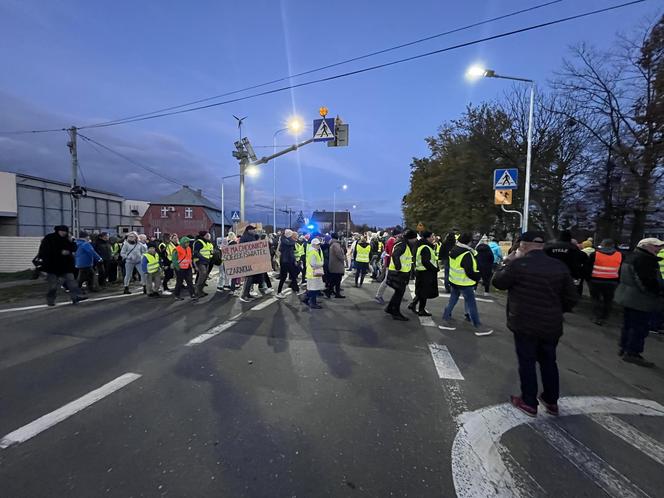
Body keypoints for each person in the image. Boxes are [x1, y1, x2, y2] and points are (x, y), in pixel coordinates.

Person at [492, 231, 579, 417]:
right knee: (549, 361)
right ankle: (551, 400)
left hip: (524, 322)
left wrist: (508, 261)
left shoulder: (519, 265)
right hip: (551, 323)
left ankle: (529, 401)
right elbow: (571, 297)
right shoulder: (559, 266)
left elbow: (498, 282)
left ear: (523, 246)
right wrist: (556, 310)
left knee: (527, 362)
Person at [614, 238, 664, 367]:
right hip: (640, 299)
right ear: (646, 246)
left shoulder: (631, 256)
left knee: (628, 323)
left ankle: (624, 348)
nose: (659, 249)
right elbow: (646, 281)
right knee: (639, 327)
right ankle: (633, 353)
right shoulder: (645, 260)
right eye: (656, 246)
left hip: (628, 296)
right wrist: (657, 291)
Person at [439, 233, 493, 336]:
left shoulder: (454, 250)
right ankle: (478, 326)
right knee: (471, 304)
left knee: (452, 301)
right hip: (465, 283)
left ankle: (445, 320)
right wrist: (478, 277)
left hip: (454, 281)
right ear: (468, 242)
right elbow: (470, 271)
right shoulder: (466, 254)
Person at [38, 225, 87, 306]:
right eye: (63, 231)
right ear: (59, 231)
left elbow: (74, 248)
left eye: (66, 231)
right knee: (53, 286)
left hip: (66, 266)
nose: (65, 233)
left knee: (72, 283)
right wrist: (60, 253)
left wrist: (71, 241)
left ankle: (75, 297)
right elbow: (44, 252)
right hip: (52, 266)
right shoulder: (49, 238)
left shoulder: (67, 239)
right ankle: (50, 300)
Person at [584, 239, 622, 326]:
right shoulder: (620, 255)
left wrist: (588, 279)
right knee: (608, 300)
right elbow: (621, 269)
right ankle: (605, 317)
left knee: (595, 299)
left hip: (595, 280)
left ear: (602, 245)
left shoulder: (595, 254)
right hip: (612, 281)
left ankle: (596, 317)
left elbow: (588, 267)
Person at [385, 229, 417, 321]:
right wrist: (398, 267)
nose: (415, 240)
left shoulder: (405, 243)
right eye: (414, 238)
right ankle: (395, 312)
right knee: (399, 294)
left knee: (398, 293)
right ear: (410, 238)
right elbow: (395, 255)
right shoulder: (402, 244)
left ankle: (390, 309)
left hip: (399, 274)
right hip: (398, 273)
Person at [408, 231, 438, 316]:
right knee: (424, 292)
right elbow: (426, 261)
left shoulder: (422, 245)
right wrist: (435, 269)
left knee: (421, 291)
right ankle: (421, 310)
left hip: (421, 271)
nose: (434, 238)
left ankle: (413, 304)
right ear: (428, 238)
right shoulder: (425, 247)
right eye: (432, 236)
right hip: (425, 272)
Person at [375, 229, 400, 305]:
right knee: (386, 280)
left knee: (389, 280)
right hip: (389, 263)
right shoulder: (392, 240)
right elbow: (392, 252)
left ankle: (395, 295)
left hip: (389, 262)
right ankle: (378, 295)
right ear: (397, 235)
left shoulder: (391, 240)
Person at [276, 229, 299, 298]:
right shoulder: (284, 240)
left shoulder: (287, 240)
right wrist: (294, 240)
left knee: (293, 274)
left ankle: (296, 288)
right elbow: (291, 243)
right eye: (291, 235)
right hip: (285, 261)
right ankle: (279, 292)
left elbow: (293, 249)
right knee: (283, 276)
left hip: (289, 260)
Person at [302, 238, 325, 308]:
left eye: (319, 244)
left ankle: (307, 299)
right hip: (313, 273)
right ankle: (313, 303)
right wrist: (321, 264)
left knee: (313, 288)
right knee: (314, 289)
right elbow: (313, 263)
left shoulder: (314, 251)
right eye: (317, 244)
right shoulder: (313, 252)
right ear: (313, 245)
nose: (319, 245)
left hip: (312, 272)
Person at [172, 236, 196, 301]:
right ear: (183, 242)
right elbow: (174, 259)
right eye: (186, 242)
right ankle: (176, 295)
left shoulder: (189, 248)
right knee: (179, 282)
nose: (188, 244)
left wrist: (192, 266)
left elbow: (189, 258)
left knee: (190, 281)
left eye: (188, 242)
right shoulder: (177, 249)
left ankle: (192, 294)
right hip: (180, 268)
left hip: (188, 267)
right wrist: (177, 267)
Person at [192, 230, 214, 298]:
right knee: (203, 275)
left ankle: (201, 291)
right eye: (207, 235)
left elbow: (210, 252)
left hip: (207, 262)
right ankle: (197, 291)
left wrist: (211, 258)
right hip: (200, 261)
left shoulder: (209, 243)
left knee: (204, 276)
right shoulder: (199, 242)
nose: (208, 236)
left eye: (209, 235)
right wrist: (203, 259)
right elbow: (196, 253)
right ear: (203, 236)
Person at [325, 232, 346, 298]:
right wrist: (343, 258)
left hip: (334, 265)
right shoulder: (336, 244)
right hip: (337, 265)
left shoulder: (332, 244)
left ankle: (334, 292)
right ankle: (330, 292)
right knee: (336, 280)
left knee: (335, 280)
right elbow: (339, 254)